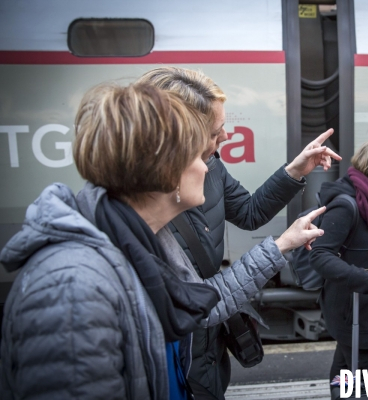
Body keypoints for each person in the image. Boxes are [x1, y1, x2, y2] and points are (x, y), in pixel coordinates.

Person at [0, 82, 325, 400]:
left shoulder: (141, 244)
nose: (207, 163)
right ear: (164, 170)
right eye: (196, 153)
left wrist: (282, 241)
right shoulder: (71, 291)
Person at [137, 66, 341, 399]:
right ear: (181, 139)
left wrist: (294, 171)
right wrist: (281, 246)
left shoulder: (211, 165)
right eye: (217, 130)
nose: (226, 137)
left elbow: (248, 212)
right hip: (184, 346)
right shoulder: (150, 217)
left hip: (210, 341)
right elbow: (198, 304)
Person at [308, 139, 368, 397]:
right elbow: (320, 255)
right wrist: (365, 280)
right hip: (356, 309)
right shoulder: (347, 204)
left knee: (344, 373)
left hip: (361, 308)